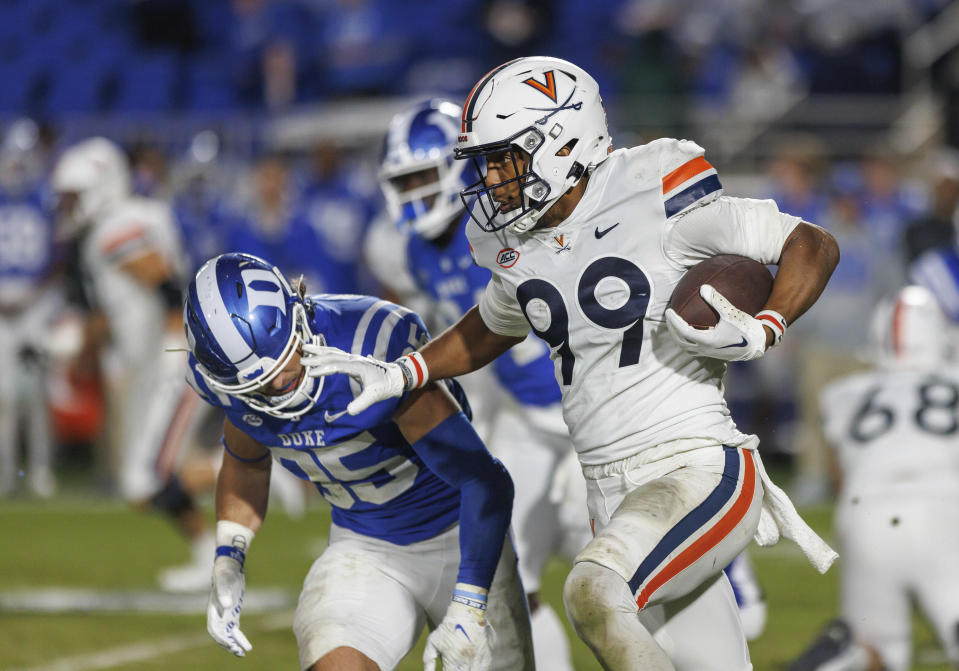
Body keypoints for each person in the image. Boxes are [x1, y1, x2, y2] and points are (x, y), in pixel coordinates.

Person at [305, 56, 840, 671]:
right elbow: (492, 324)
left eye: (504, 158)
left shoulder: (652, 187)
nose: (493, 180)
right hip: (606, 484)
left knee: (594, 592)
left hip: (696, 463)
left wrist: (765, 327)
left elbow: (809, 242)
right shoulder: (518, 242)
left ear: (560, 141)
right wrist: (408, 371)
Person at [184, 252, 534, 670]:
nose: (279, 383)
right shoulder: (231, 386)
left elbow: (484, 481)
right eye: (260, 386)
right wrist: (229, 555)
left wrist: (471, 601)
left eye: (283, 361)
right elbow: (246, 460)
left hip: (463, 540)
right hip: (364, 547)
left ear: (298, 314)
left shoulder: (368, 346)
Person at [376, 97, 590, 671]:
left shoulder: (513, 222)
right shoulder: (419, 252)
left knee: (615, 579)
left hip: (590, 415)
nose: (417, 191)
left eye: (425, 175)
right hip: (528, 418)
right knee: (507, 567)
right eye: (406, 180)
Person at [50, 137, 213, 591]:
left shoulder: (116, 226)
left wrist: (172, 349)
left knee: (144, 480)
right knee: (147, 477)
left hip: (174, 359)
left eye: (74, 195)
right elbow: (114, 313)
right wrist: (73, 350)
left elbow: (165, 286)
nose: (68, 205)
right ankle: (209, 558)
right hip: (158, 362)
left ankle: (269, 467)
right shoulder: (117, 225)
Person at [788, 285, 959, 671]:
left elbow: (839, 474)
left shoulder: (845, 393)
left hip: (865, 511)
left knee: (877, 648)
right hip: (942, 507)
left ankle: (844, 658)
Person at [0, 119, 62, 497]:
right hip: (2, 304)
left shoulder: (46, 199)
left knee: (38, 393)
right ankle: (6, 473)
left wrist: (34, 297)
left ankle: (40, 470)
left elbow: (59, 256)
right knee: (4, 397)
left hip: (37, 303)